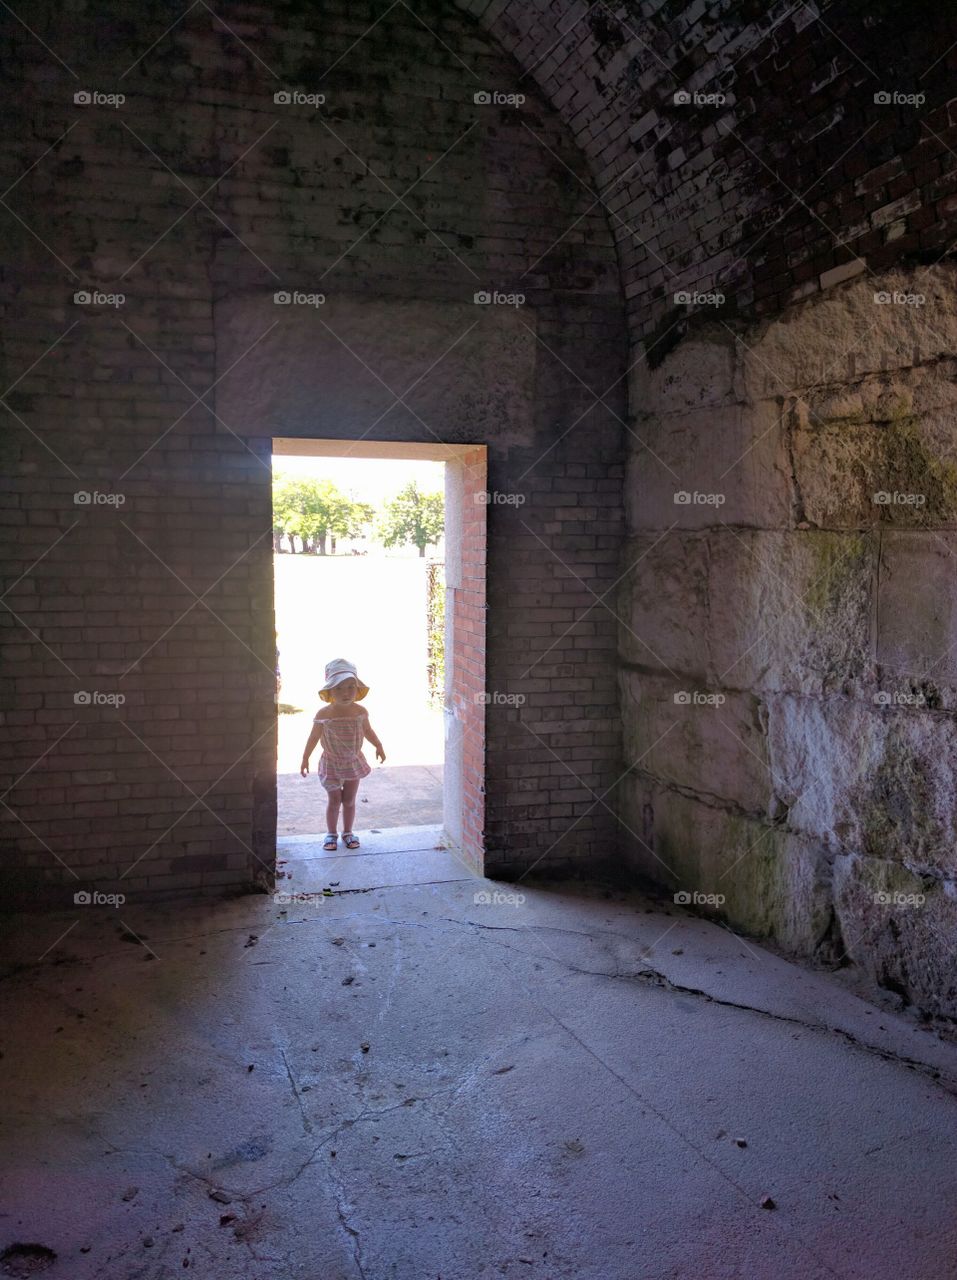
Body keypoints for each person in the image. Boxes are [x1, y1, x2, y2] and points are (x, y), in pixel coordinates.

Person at [300, 658, 386, 851]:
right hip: (331, 763)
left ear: (357, 689)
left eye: (350, 687)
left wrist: (378, 745)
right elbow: (314, 737)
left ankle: (348, 832)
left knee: (348, 800)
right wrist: (305, 757)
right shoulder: (324, 714)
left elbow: (368, 731)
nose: (345, 693)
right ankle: (331, 834)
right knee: (334, 800)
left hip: (353, 762)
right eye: (338, 688)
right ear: (329, 691)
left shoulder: (360, 711)